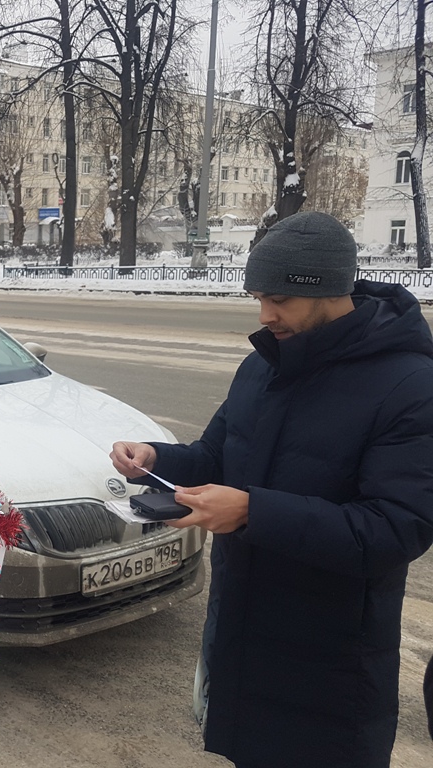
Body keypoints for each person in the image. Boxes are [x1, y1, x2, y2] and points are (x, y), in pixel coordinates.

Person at [110, 211, 433, 768]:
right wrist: (158, 459)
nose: (265, 314)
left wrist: (252, 513)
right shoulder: (263, 367)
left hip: (332, 660)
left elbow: (394, 529)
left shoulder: (409, 385)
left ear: (328, 290)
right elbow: (216, 455)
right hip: (242, 632)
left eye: (279, 298)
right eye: (258, 296)